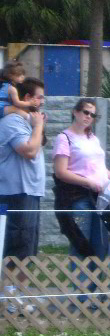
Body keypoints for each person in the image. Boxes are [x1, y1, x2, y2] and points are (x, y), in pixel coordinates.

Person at [53, 98, 110, 258]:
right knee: (82, 243)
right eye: (86, 112)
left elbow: (100, 168)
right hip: (78, 197)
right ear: (75, 112)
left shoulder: (93, 138)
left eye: (93, 115)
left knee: (101, 244)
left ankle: (97, 283)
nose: (89, 117)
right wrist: (87, 182)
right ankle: (80, 283)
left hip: (100, 197)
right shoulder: (64, 138)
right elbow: (61, 172)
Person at [0, 77, 46, 259]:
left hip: (30, 191)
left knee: (28, 248)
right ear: (27, 97)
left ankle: (18, 287)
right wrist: (39, 126)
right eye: (39, 97)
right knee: (17, 247)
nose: (42, 102)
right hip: (17, 193)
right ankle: (9, 287)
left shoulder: (26, 121)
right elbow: (29, 151)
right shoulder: (12, 122)